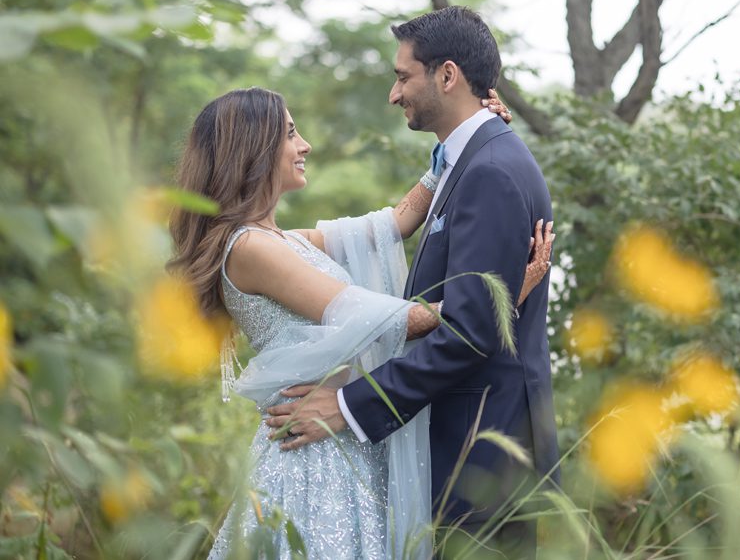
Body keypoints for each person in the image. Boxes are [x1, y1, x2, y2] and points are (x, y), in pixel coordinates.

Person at [167, 85, 552, 559]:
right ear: (253, 149)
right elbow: (389, 322)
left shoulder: (279, 239)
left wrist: (458, 142)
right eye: (290, 134)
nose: (305, 145)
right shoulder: (251, 249)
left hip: (337, 439)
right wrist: (502, 297)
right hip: (312, 460)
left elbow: (393, 223)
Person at [265, 6, 558, 558]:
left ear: (447, 76)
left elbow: (473, 329)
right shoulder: (469, 160)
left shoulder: (490, 170)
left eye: (403, 77)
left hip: (483, 453)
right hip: (462, 443)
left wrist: (347, 406)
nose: (394, 95)